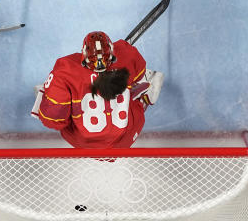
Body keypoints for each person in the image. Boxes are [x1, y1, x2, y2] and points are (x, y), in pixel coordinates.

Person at [32, 31, 163, 148]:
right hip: (124, 141)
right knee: (133, 86)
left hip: (83, 143)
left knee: (56, 107)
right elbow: (139, 73)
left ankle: (50, 95)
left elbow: (54, 122)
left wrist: (51, 98)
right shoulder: (127, 54)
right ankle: (143, 98)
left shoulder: (65, 70)